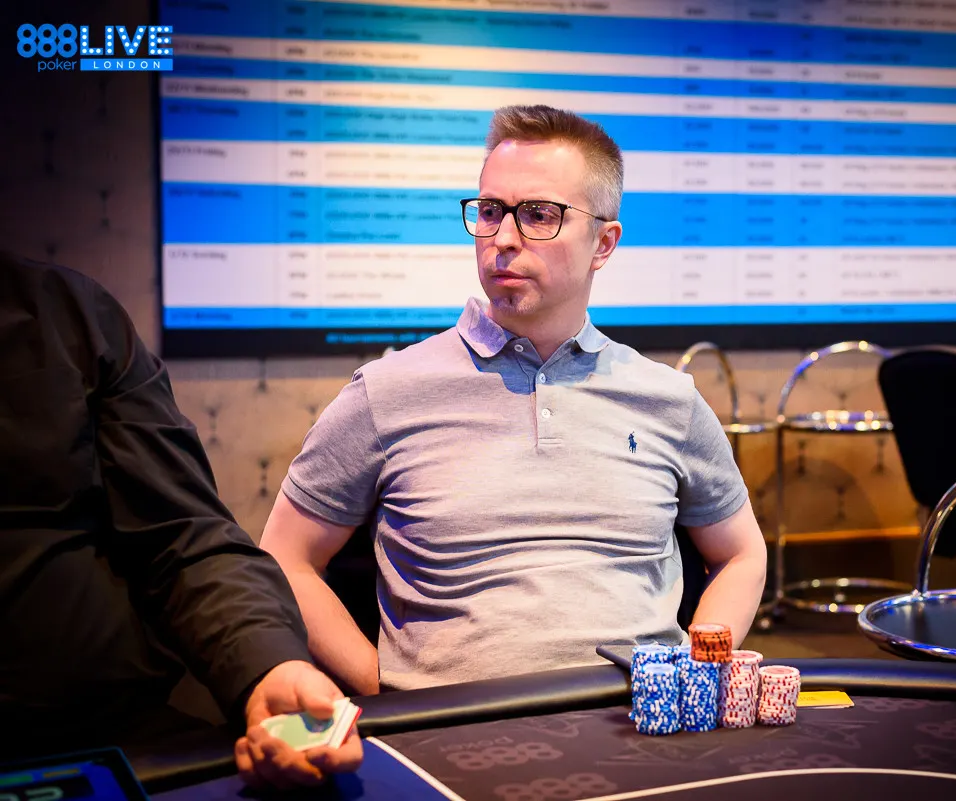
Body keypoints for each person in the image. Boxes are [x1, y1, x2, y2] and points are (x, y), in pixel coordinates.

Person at [260, 105, 768, 694]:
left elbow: (741, 555)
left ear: (603, 243)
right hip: (453, 727)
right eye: (490, 211)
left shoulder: (667, 399)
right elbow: (285, 558)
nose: (502, 238)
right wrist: (377, 689)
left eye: (538, 215)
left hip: (636, 718)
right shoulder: (386, 391)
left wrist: (699, 678)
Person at [0, 252, 361, 787]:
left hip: (111, 732)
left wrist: (268, 667)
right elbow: (293, 555)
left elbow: (187, 539)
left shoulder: (68, 311)